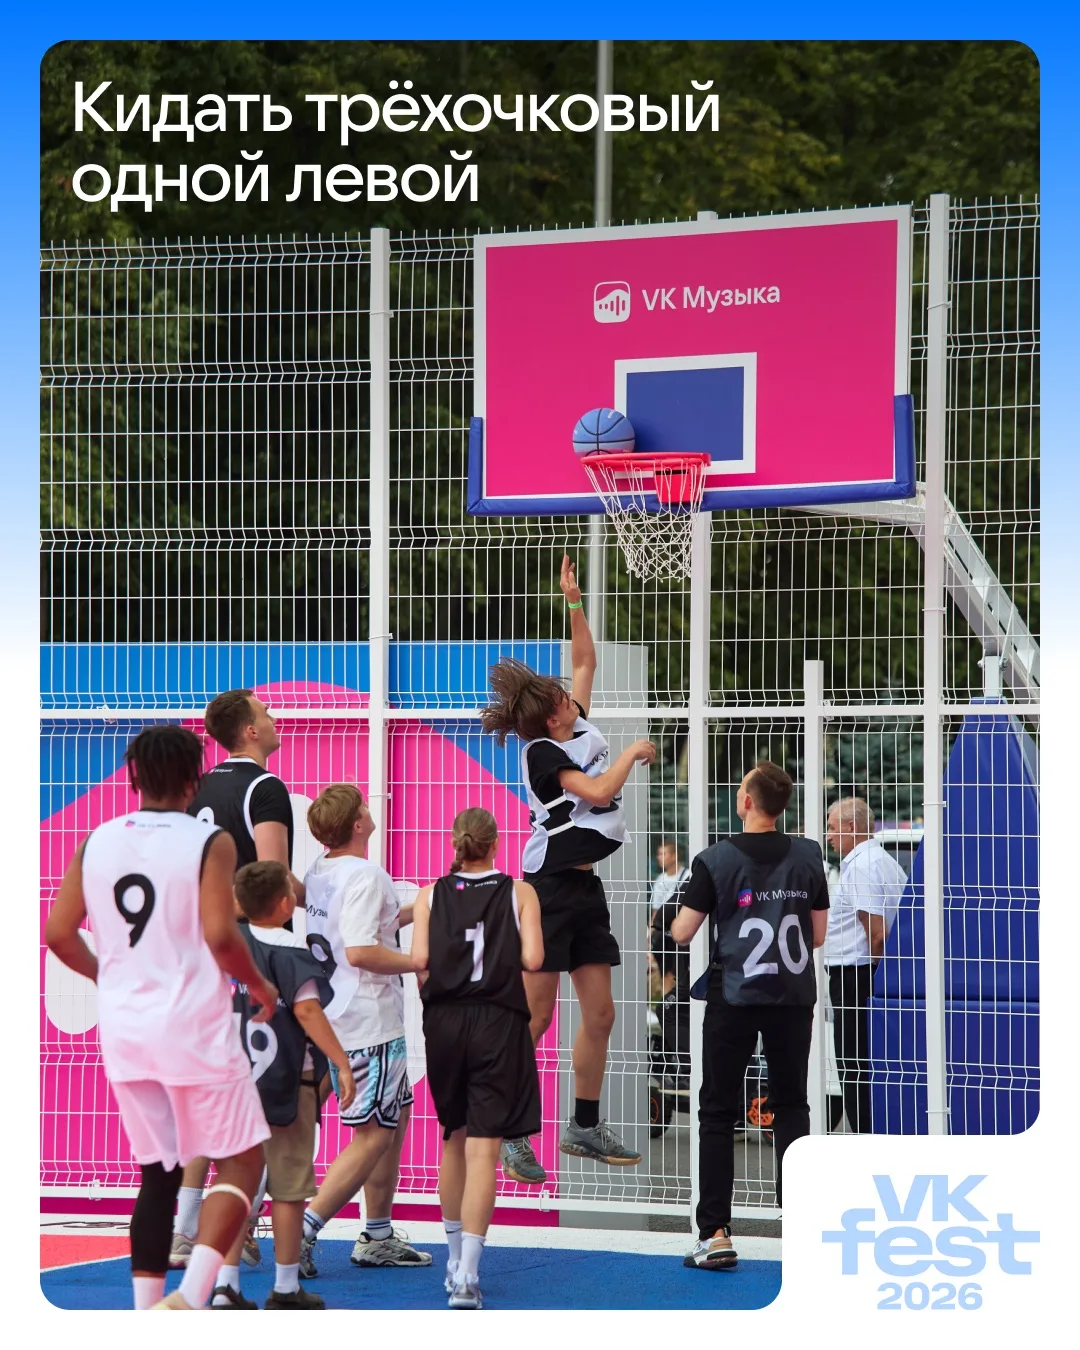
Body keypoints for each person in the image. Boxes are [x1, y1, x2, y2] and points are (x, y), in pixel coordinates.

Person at [44, 725, 279, 1310]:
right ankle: (192, 1297)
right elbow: (220, 933)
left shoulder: (97, 840)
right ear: (193, 779)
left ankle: (147, 1311)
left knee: (158, 1173)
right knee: (244, 1158)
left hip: (127, 1028)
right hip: (192, 1023)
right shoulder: (208, 840)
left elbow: (58, 933)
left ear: (135, 777)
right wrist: (258, 982)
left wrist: (109, 978)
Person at [480, 555, 655, 1184]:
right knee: (536, 1018)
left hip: (583, 887)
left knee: (601, 1015)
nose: (570, 696)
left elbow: (585, 659)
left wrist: (574, 601)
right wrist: (631, 752)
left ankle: (583, 1125)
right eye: (561, 699)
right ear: (551, 718)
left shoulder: (570, 717)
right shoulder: (543, 754)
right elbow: (601, 792)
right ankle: (507, 1129)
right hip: (548, 890)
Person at [669, 760, 830, 1272]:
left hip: (734, 995)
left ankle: (715, 1232)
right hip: (791, 996)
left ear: (746, 801)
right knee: (792, 1105)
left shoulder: (715, 859)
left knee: (718, 1111)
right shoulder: (809, 855)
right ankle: (801, 1224)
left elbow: (682, 932)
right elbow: (818, 935)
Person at [171, 688, 306, 1270]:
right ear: (250, 730)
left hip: (204, 953)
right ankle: (240, 1221)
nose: (274, 719)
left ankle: (184, 1227)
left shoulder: (199, 789)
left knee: (216, 1094)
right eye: (266, 713)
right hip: (255, 955)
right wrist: (324, 897)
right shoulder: (264, 787)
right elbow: (274, 880)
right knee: (278, 1094)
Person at [410, 809, 545, 1310]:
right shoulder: (519, 892)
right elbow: (533, 959)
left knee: (453, 1140)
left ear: (455, 843)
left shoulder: (429, 895)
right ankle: (468, 1273)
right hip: (496, 1022)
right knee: (484, 1149)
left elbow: (419, 962)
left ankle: (451, 1261)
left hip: (445, 1022)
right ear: (496, 844)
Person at [298, 783, 432, 1275]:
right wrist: (418, 960)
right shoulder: (367, 874)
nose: (369, 810)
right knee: (374, 1136)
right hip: (367, 1022)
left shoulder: (321, 870)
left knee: (391, 1124)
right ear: (358, 824)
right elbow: (359, 950)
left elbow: (369, 924)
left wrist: (428, 905)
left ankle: (377, 1234)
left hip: (340, 1015)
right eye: (363, 807)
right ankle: (302, 1230)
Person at [211, 860, 358, 1310]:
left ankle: (225, 1284)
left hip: (234, 1081)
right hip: (288, 1083)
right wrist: (341, 1063)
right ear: (284, 904)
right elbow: (308, 1012)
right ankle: (286, 1285)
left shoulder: (226, 948)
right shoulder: (294, 954)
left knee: (235, 1181)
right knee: (289, 1188)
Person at [823, 796, 907, 1134]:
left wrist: (876, 978)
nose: (828, 836)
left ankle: (864, 1137)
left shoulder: (860, 867)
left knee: (853, 1065)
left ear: (851, 827)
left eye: (832, 828)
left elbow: (877, 934)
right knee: (866, 1063)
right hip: (866, 974)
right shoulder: (884, 861)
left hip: (856, 976)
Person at [650, 840, 690, 914]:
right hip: (664, 919)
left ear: (675, 856)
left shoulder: (688, 876)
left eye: (663, 854)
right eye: (658, 854)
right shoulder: (660, 879)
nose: (659, 857)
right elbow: (656, 910)